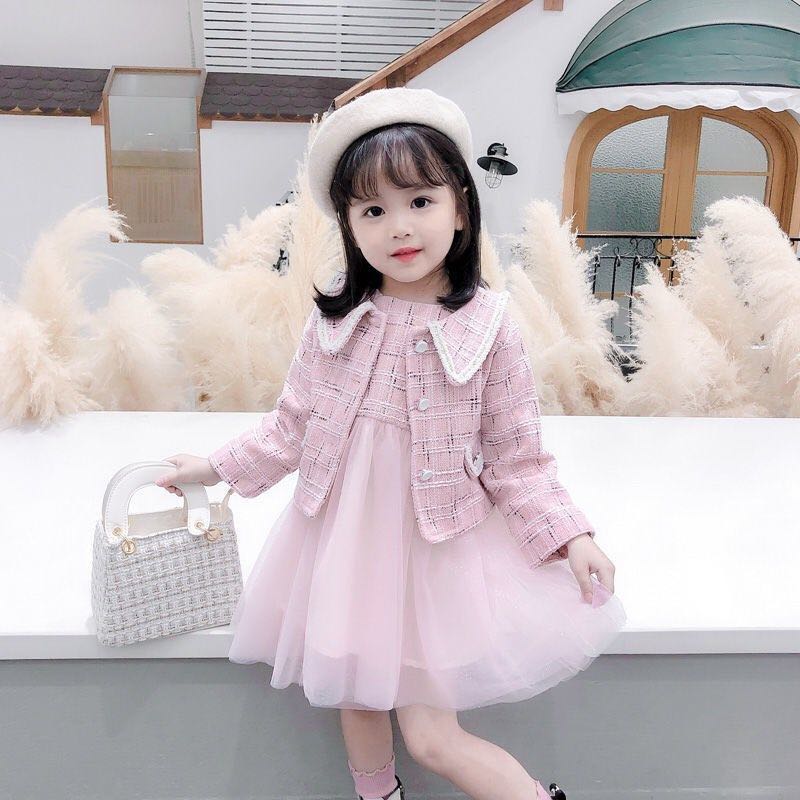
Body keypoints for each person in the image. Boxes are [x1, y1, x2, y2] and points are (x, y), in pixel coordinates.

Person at [155, 87, 627, 800]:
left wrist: (572, 535)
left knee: (433, 737)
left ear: (460, 208)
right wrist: (213, 468)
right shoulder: (337, 323)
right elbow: (292, 425)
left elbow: (517, 458)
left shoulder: (490, 325)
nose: (399, 227)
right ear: (349, 226)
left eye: (420, 201)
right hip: (345, 545)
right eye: (372, 210)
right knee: (356, 692)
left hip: (436, 553)